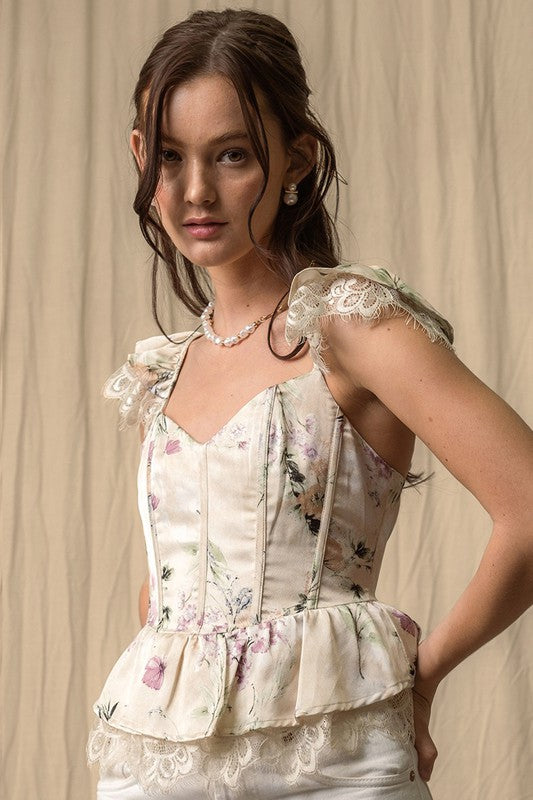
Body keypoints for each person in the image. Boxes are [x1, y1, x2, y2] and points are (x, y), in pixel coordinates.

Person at [86, 8, 533, 799]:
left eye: (230, 154)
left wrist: (422, 677)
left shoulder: (350, 326)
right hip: (156, 766)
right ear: (139, 158)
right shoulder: (162, 370)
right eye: (169, 157)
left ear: (297, 158)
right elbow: (170, 591)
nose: (195, 190)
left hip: (334, 763)